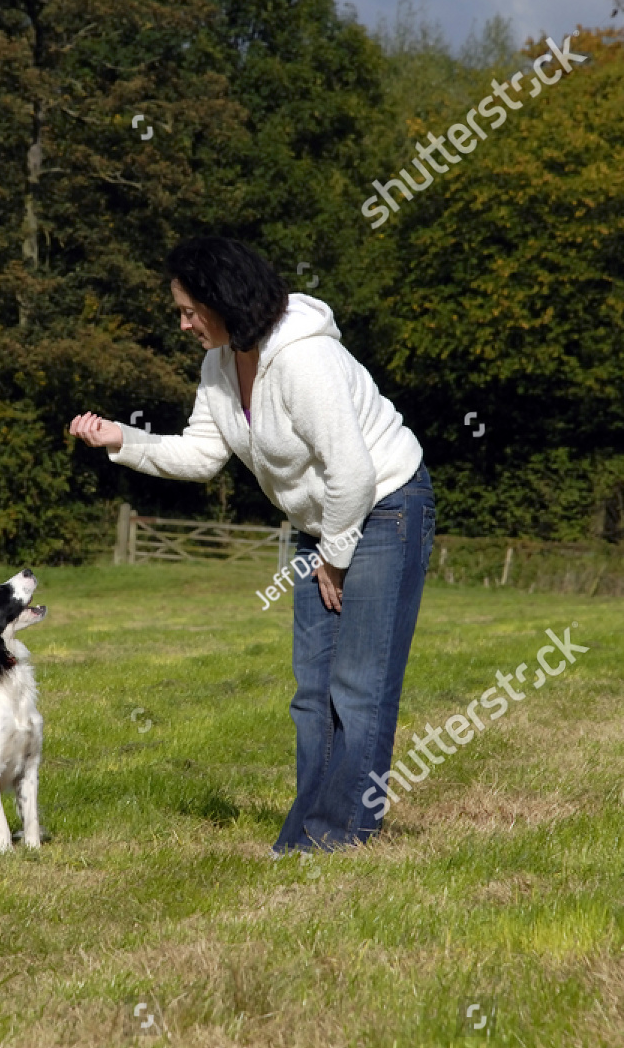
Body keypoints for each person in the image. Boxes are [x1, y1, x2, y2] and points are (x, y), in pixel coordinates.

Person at [69, 235, 435, 853]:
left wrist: (336, 560)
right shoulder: (219, 364)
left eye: (189, 310)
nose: (182, 323)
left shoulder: (303, 360)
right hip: (326, 525)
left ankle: (338, 839)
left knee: (359, 687)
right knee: (313, 693)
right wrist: (120, 440)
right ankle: (308, 833)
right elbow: (201, 453)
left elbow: (353, 471)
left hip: (383, 511)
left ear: (224, 300)